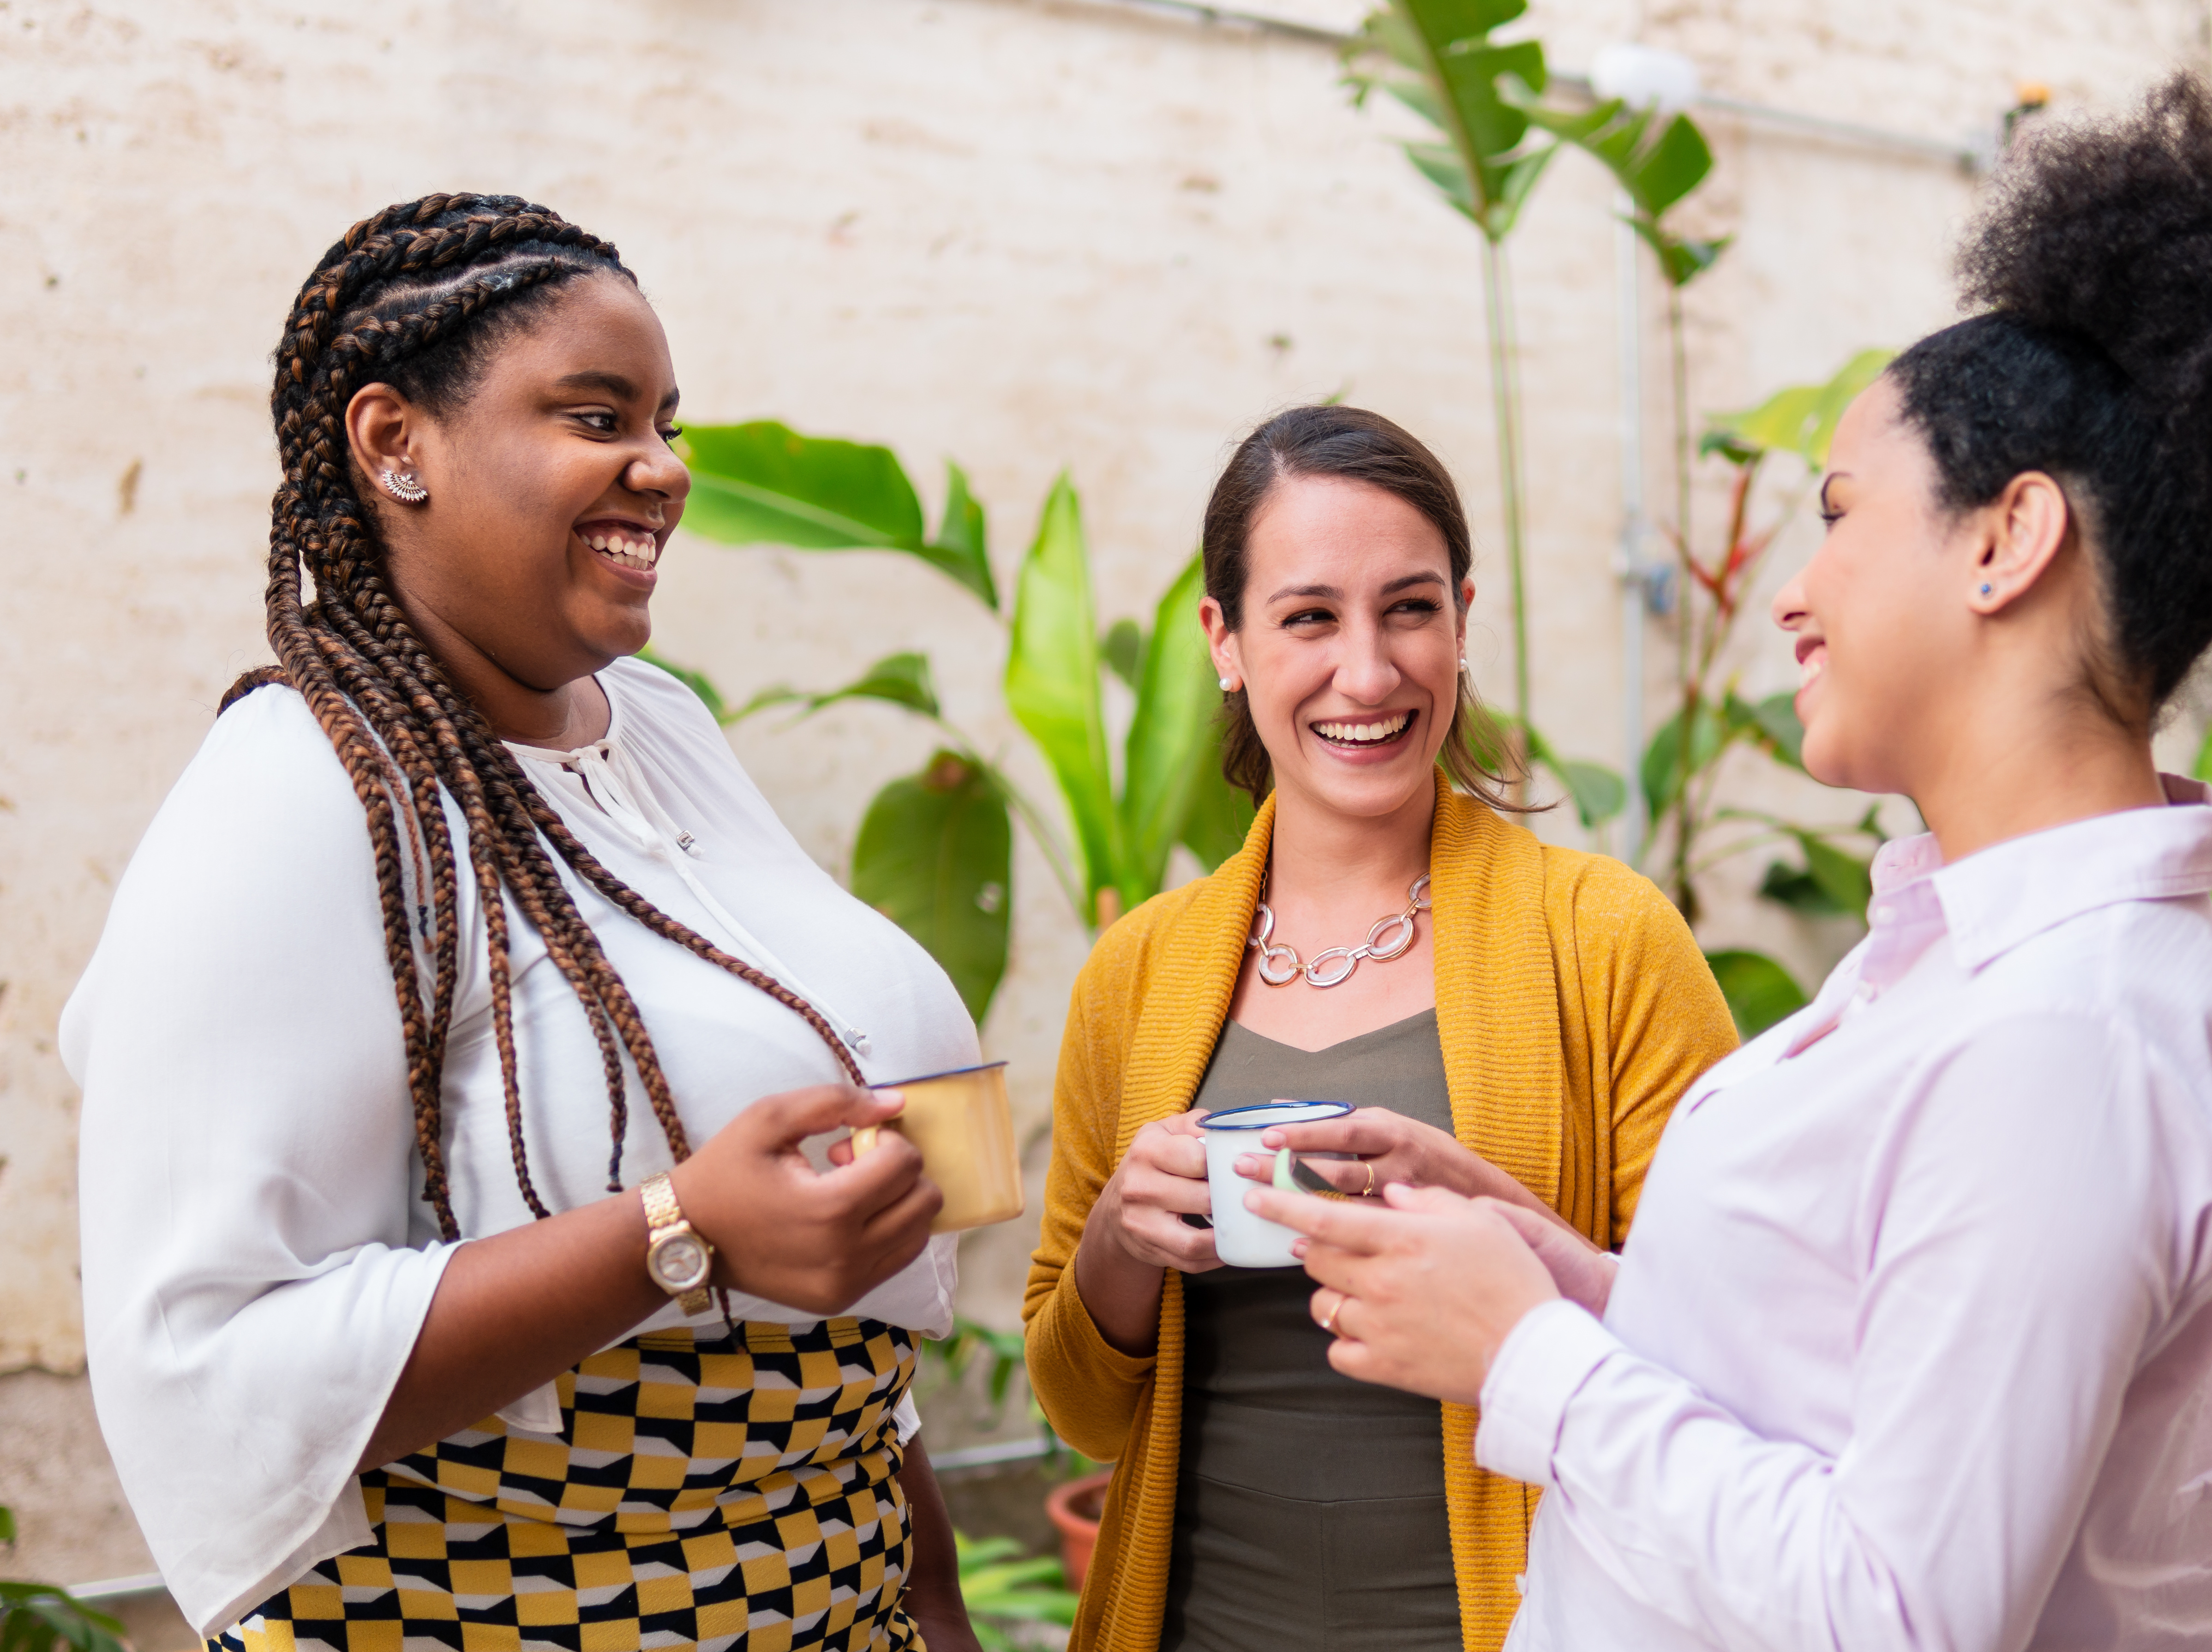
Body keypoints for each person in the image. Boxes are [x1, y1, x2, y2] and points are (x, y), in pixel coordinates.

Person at [1251, 75, 2212, 1651]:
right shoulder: (1962, 957)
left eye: (1837, 512)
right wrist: (1562, 1275)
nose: (1794, 590)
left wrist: (1530, 1350)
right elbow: (1849, 1399)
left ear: (2003, 541)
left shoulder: (2059, 1044)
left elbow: (1898, 1611)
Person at [67, 195, 988, 1652]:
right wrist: (678, 1234)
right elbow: (207, 1355)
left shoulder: (665, 728)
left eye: (667, 419)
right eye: (594, 413)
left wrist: (930, 1599)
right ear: (393, 445)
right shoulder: (299, 792)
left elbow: (833, 1302)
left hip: (839, 1583)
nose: (664, 467)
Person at [1020, 404, 1739, 1652]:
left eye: (1408, 608)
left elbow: (1740, 1347)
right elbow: (1082, 1404)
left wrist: (1506, 1232)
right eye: (1309, 616)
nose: (1367, 671)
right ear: (1225, 640)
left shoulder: (1607, 940)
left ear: (1461, 620)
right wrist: (1119, 1247)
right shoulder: (1136, 972)